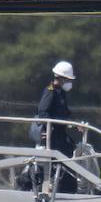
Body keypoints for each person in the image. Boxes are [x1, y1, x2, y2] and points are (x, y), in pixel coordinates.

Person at [34, 60, 78, 193]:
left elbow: (65, 114)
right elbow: (43, 112)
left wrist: (74, 125)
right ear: (61, 78)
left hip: (60, 134)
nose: (70, 83)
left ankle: (65, 188)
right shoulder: (50, 91)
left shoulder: (61, 93)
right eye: (68, 80)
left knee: (71, 152)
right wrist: (50, 126)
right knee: (56, 160)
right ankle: (51, 186)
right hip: (51, 135)